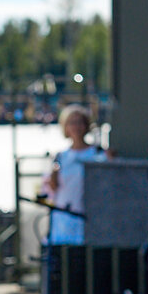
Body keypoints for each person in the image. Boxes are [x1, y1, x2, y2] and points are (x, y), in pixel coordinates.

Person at [41, 104, 107, 244]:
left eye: (79, 122)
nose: (76, 127)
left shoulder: (98, 153)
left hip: (89, 217)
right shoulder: (60, 157)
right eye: (71, 123)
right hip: (64, 216)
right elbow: (52, 188)